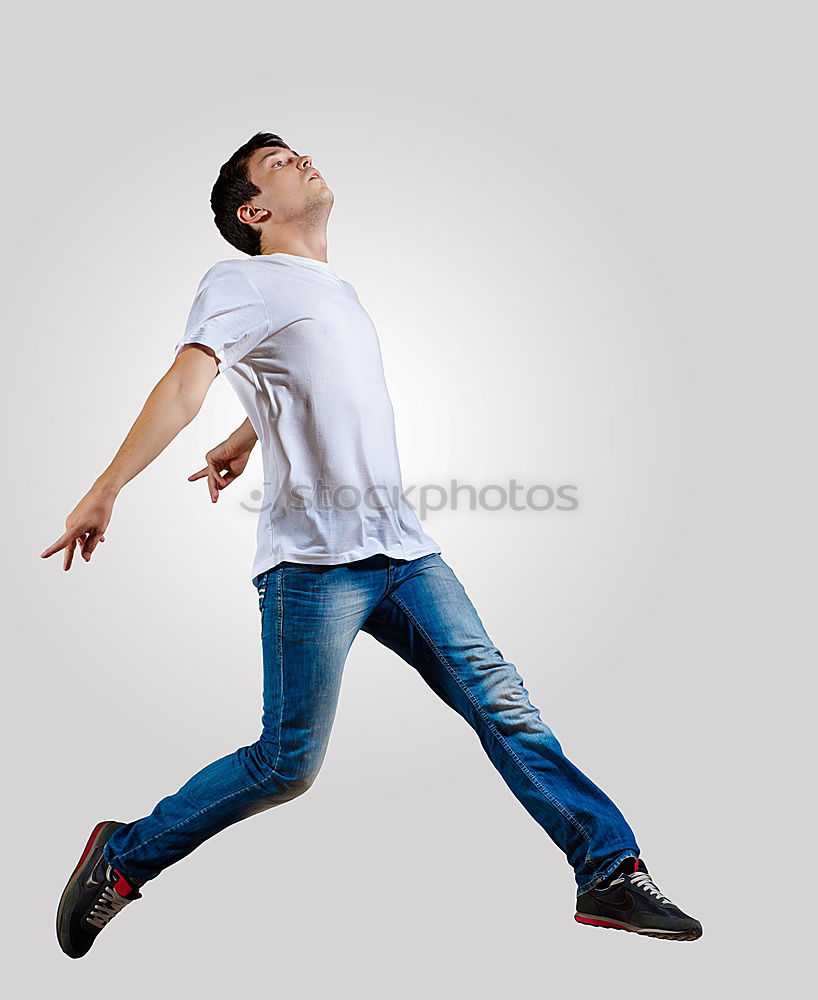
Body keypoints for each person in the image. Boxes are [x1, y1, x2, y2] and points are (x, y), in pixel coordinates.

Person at [44, 132, 702, 959]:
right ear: (254, 212)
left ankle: (608, 870)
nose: (302, 159)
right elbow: (186, 384)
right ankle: (124, 855)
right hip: (313, 570)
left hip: (405, 555)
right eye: (278, 162)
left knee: (504, 706)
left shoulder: (335, 290)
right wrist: (107, 487)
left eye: (297, 151)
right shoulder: (239, 278)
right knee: (286, 765)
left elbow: (308, 378)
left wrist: (251, 432)